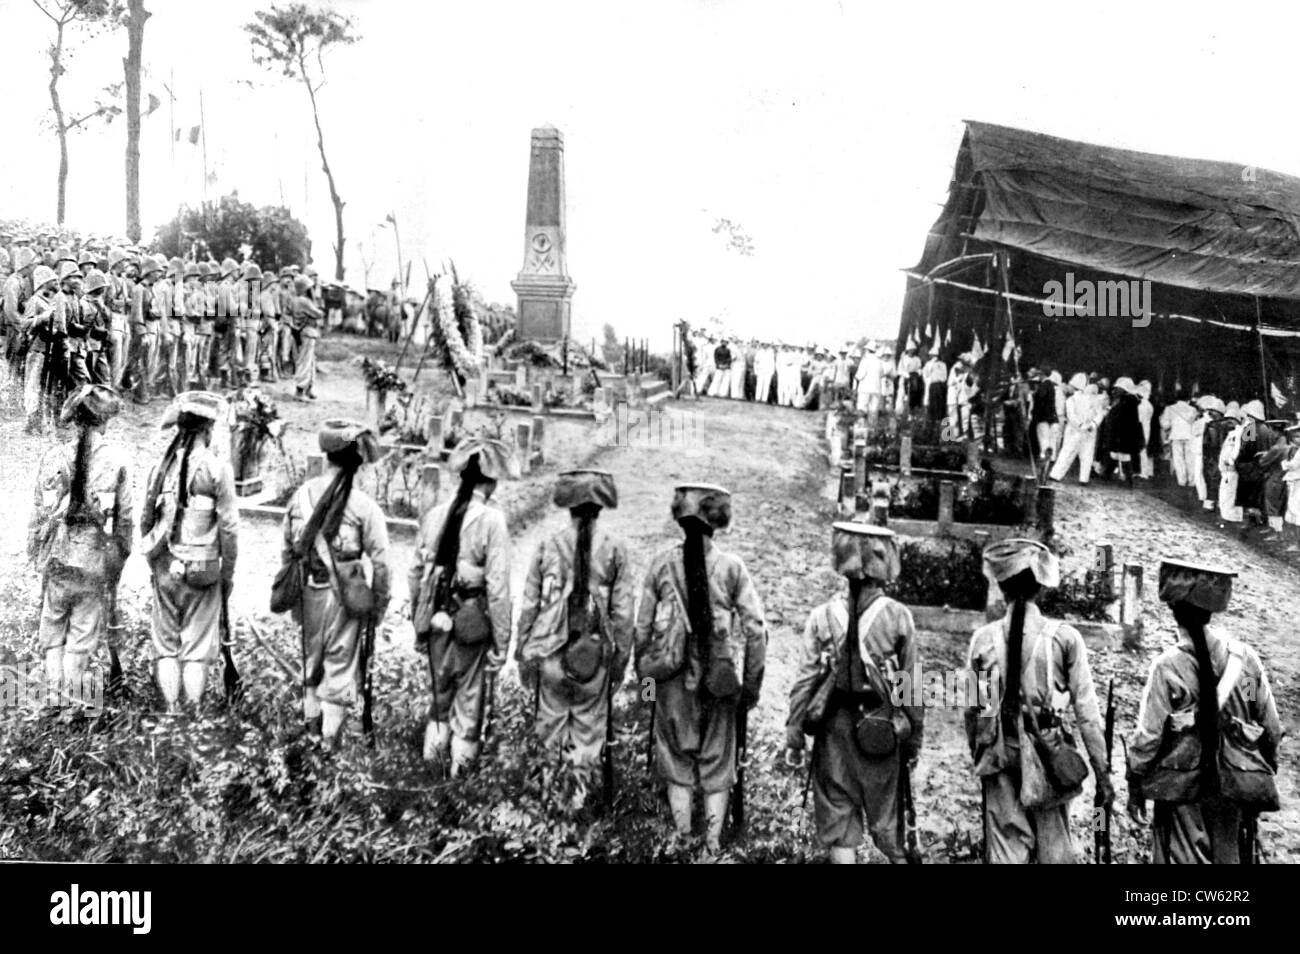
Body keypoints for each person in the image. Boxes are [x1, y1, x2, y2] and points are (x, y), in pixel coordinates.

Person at [633, 483, 766, 852]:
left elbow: (641, 633)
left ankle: (681, 842)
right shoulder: (732, 568)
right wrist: (748, 692)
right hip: (720, 684)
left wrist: (648, 693)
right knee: (718, 767)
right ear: (717, 521)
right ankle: (711, 850)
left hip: (670, 684)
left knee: (676, 762)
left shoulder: (661, 564)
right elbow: (756, 632)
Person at [963, 538, 1112, 863]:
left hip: (1000, 756)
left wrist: (982, 754)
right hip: (1049, 756)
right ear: (1041, 588)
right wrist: (1103, 774)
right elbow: (1087, 716)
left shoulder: (982, 640)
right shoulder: (1064, 639)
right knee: (1054, 853)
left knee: (1005, 855)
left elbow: (972, 711)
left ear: (1001, 585)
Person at [1126, 559, 1282, 863]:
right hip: (1233, 784)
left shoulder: (1167, 667)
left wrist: (1136, 781)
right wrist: (1258, 768)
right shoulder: (1244, 661)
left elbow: (1148, 737)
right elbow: (1264, 722)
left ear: (1172, 609)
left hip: (1182, 788)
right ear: (1212, 610)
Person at [785, 522, 923, 863]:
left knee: (838, 819)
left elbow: (805, 680)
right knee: (891, 825)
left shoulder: (821, 616)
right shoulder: (898, 617)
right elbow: (910, 688)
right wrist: (913, 739)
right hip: (882, 729)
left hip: (833, 731)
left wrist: (794, 734)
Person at [515, 469, 634, 807]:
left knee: (548, 734)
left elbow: (528, 606)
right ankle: (574, 813)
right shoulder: (615, 549)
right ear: (600, 509)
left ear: (568, 508)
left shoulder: (547, 545)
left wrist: (523, 654)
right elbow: (624, 618)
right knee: (586, 740)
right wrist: (618, 667)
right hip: (593, 664)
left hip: (550, 657)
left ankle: (545, 811)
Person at [280, 419, 390, 745]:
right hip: (346, 600)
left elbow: (288, 550)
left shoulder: (300, 498)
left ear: (326, 456)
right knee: (339, 675)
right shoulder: (364, 507)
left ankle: (312, 742)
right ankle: (327, 753)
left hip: (307, 595)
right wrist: (378, 606)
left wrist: (295, 598)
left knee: (311, 673)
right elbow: (382, 565)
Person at [411, 437, 516, 775]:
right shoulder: (492, 520)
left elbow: (415, 574)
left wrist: (420, 623)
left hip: (436, 617)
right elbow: (498, 589)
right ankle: (458, 784)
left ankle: (430, 773)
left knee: (439, 698)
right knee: (469, 703)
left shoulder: (436, 515)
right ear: (491, 480)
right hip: (471, 623)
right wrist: (502, 642)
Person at [27, 385, 132, 709]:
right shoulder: (117, 460)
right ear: (105, 422)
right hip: (93, 558)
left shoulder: (54, 456)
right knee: (82, 635)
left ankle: (55, 703)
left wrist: (36, 553)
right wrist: (118, 559)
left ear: (75, 420)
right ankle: (74, 707)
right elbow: (125, 521)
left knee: (53, 628)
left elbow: (39, 512)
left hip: (57, 555)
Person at [140, 392, 240, 713]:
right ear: (207, 430)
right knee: (197, 647)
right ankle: (192, 717)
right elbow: (229, 529)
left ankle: (170, 712)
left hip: (164, 564)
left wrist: (154, 558)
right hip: (203, 568)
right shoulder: (216, 469)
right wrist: (228, 572)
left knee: (166, 645)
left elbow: (145, 519)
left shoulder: (160, 466)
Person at [1048, 374, 1097, 483]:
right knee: (1087, 455)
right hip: (1089, 431)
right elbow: (1098, 414)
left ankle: (1056, 475)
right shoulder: (1093, 399)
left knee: (1067, 452)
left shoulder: (1071, 400)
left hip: (1074, 430)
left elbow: (1071, 416)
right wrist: (1092, 425)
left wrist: (1080, 425)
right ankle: (1084, 479)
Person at [290, 276, 324, 401]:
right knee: (305, 361)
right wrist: (318, 307)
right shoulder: (303, 301)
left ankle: (309, 388)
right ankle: (300, 390)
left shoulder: (297, 300)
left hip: (304, 332)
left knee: (310, 362)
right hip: (307, 332)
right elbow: (318, 314)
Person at [1106, 377, 1144, 485]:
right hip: (1125, 434)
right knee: (1119, 455)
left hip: (1123, 434)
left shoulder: (1127, 402)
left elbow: (1119, 419)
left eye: (1118, 388)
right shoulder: (1130, 401)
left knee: (1122, 455)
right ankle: (1115, 476)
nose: (1115, 391)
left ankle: (1126, 479)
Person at [1161, 390, 1199, 489]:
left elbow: (1165, 425)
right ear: (1188, 398)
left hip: (1176, 436)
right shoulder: (1193, 410)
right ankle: (1192, 481)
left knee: (1178, 459)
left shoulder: (1170, 408)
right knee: (1190, 459)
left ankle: (1182, 481)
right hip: (1190, 436)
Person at [1196, 397, 1227, 513]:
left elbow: (1208, 444)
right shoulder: (1225, 425)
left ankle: (1209, 503)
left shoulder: (1211, 426)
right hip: (1220, 456)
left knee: (1211, 479)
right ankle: (1217, 503)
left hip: (1212, 457)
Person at [1136, 380, 1155, 479]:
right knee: (1145, 449)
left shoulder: (1141, 405)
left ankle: (1144, 472)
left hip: (1141, 427)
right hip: (1147, 427)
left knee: (1142, 449)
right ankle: (1149, 471)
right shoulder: (1150, 405)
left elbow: (1139, 419)